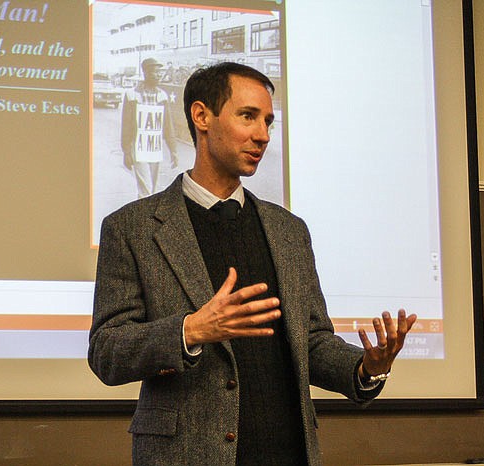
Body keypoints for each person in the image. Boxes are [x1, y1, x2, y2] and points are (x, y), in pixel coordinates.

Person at [89, 62, 417, 466]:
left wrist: (367, 367)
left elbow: (309, 342)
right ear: (201, 116)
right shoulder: (132, 228)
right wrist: (192, 330)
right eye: (248, 117)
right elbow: (107, 351)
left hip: (288, 453)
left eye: (268, 121)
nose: (262, 135)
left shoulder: (288, 231)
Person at [120, 57, 179, 198]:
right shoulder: (132, 95)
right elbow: (126, 126)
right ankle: (144, 219)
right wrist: (126, 152)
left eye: (160, 72)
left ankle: (142, 216)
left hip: (154, 148)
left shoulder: (162, 96)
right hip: (138, 147)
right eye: (155, 72)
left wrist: (173, 150)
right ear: (146, 72)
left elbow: (167, 125)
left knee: (151, 189)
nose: (159, 75)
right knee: (145, 191)